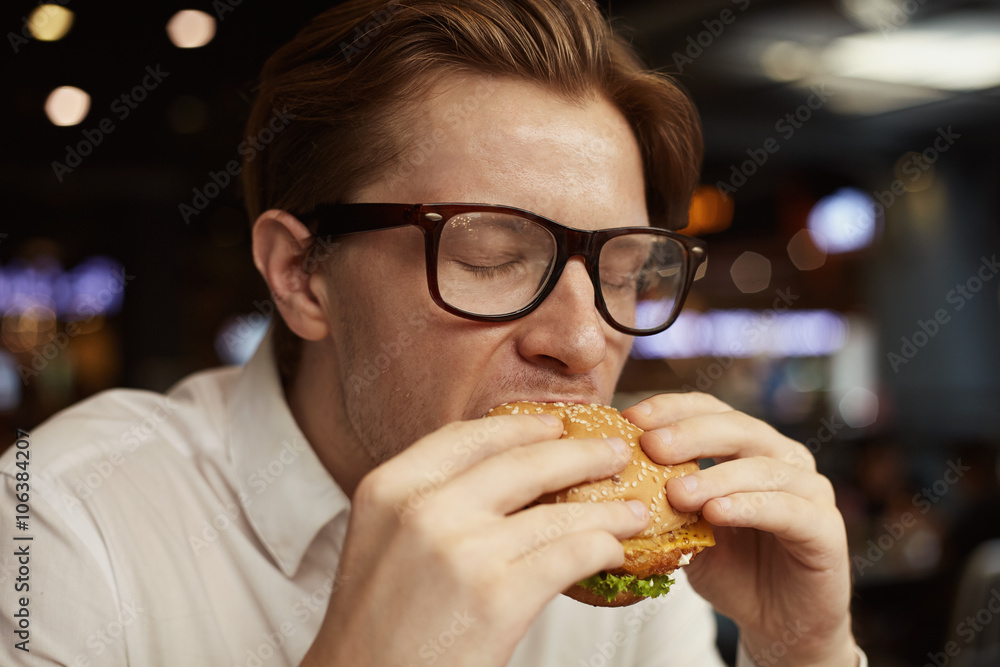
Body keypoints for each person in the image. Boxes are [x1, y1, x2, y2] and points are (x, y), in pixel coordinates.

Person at [1, 0, 866, 665]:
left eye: (622, 272)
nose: (580, 340)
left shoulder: (624, 563)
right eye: (492, 252)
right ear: (303, 276)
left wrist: (803, 653)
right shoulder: (59, 526)